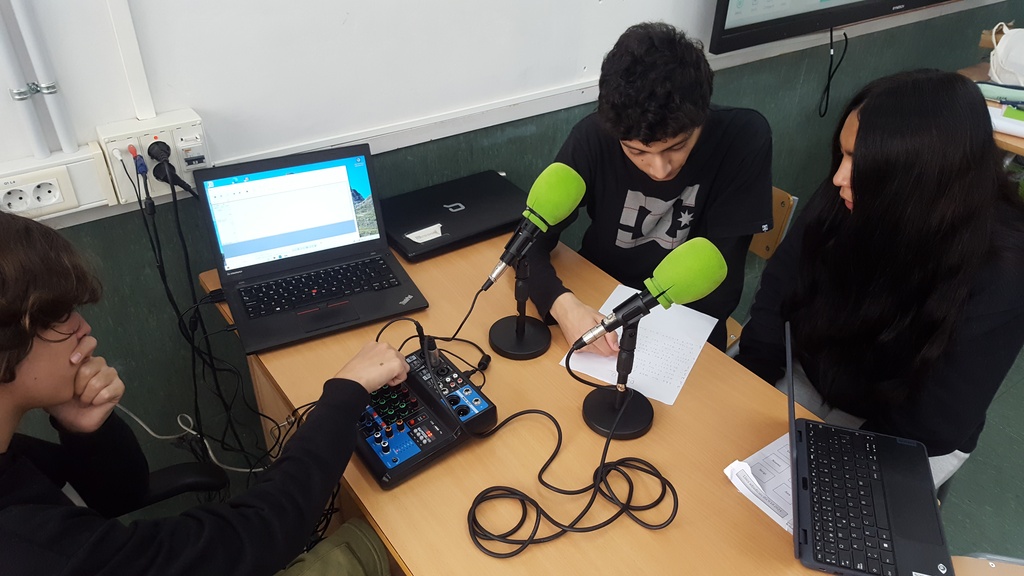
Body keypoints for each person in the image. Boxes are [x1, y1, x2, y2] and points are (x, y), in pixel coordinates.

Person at [0, 211, 408, 575]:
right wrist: (345, 395)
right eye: (57, 316)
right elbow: (262, 533)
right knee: (385, 543)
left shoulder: (12, 459)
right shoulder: (24, 545)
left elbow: (119, 497)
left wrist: (86, 432)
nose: (83, 328)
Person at [735, 69, 1024, 487]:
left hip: (902, 427)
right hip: (810, 371)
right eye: (844, 154)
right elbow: (782, 280)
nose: (839, 177)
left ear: (920, 177)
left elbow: (936, 421)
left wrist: (833, 469)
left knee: (810, 513)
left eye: (859, 161)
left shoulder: (1005, 268)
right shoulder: (850, 194)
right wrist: (752, 374)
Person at [527, 21, 773, 354]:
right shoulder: (595, 136)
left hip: (687, 323)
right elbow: (529, 242)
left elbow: (720, 277)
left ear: (702, 117)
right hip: (599, 299)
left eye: (677, 146)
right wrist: (563, 306)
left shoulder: (742, 139)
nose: (660, 169)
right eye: (637, 152)